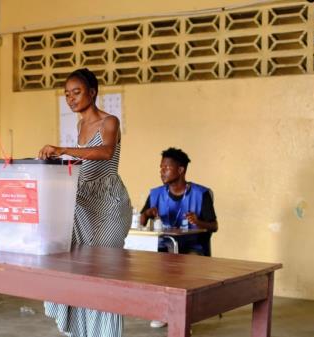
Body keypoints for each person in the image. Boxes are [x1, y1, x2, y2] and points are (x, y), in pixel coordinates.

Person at [38, 68, 132, 337]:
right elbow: (85, 162)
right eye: (67, 94)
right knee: (77, 268)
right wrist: (58, 162)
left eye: (76, 92)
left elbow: (105, 152)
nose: (71, 98)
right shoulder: (79, 125)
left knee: (105, 270)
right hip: (82, 203)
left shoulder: (109, 122)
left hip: (108, 205)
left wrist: (63, 150)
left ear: (92, 92)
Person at [139, 147, 218, 328]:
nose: (161, 172)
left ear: (181, 170)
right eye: (160, 168)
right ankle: (161, 311)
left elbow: (214, 226)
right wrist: (148, 213)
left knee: (183, 267)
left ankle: (182, 317)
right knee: (149, 264)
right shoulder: (156, 193)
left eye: (166, 168)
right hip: (163, 247)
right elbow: (142, 221)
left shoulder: (201, 194)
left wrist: (199, 222)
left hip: (193, 249)